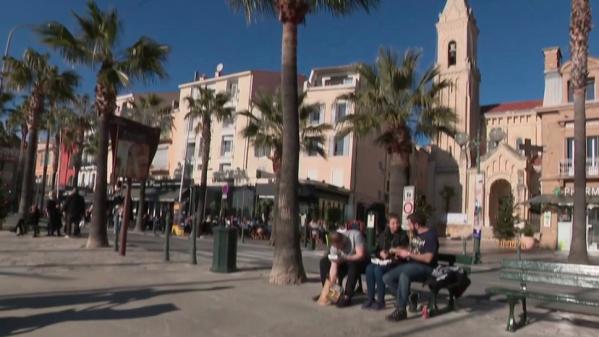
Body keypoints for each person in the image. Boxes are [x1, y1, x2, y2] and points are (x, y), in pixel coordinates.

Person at [383, 211, 439, 322]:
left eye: (410, 224)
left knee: (404, 275)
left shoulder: (431, 235)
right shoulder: (416, 235)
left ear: (416, 224)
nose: (408, 226)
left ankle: (401, 310)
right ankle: (409, 298)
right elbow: (412, 249)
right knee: (387, 277)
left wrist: (408, 254)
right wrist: (399, 250)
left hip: (427, 268)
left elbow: (428, 258)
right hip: (412, 265)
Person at [362, 213, 409, 310]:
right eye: (393, 223)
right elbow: (377, 249)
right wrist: (380, 253)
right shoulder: (383, 235)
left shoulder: (403, 235)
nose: (395, 225)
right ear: (388, 224)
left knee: (378, 271)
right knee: (369, 269)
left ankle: (381, 301)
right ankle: (370, 298)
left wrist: (391, 253)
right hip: (383, 260)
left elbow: (403, 249)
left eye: (397, 223)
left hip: (396, 261)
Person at [318, 228, 367, 307]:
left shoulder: (355, 235)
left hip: (360, 261)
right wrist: (332, 281)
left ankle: (347, 296)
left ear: (343, 241)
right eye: (335, 246)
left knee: (353, 264)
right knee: (324, 262)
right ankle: (329, 292)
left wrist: (345, 258)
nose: (337, 248)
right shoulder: (334, 247)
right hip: (343, 261)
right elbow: (334, 265)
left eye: (339, 246)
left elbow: (360, 255)